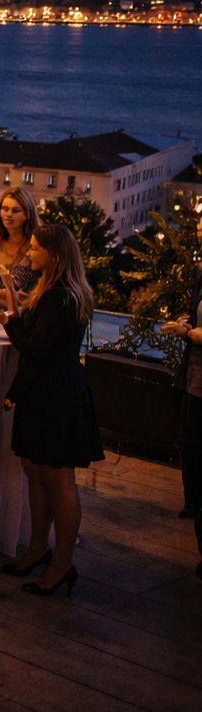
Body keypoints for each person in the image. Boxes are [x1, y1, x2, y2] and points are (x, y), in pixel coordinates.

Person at [0, 224, 104, 596]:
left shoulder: (57, 297)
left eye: (35, 249)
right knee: (36, 470)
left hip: (54, 394)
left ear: (53, 256)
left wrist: (8, 321)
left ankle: (61, 564)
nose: (29, 254)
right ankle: (39, 548)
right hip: (51, 389)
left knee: (58, 479)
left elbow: (35, 350)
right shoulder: (67, 291)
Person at [159, 211, 202, 578]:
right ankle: (194, 504)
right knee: (188, 439)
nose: (200, 234)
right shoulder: (201, 270)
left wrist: (185, 333)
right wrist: (186, 322)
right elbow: (195, 314)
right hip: (193, 376)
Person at [0, 186, 39, 310]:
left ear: (27, 214)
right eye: (5, 209)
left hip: (21, 318)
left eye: (16, 210)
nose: (8, 214)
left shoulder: (35, 246)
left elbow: (37, 294)